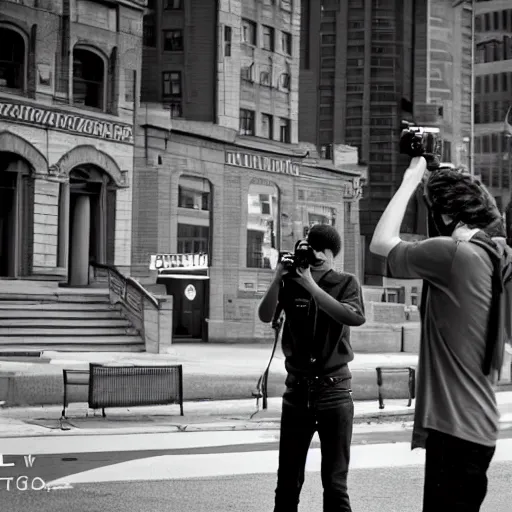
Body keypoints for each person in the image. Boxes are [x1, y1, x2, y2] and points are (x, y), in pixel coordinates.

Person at [370, 156, 510, 512]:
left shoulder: (453, 255)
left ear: (446, 216)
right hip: (477, 426)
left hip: (455, 431)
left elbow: (381, 242)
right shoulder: (493, 256)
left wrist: (411, 180)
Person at [258, 224, 366, 512]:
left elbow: (354, 317)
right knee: (287, 483)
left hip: (335, 392)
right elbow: (265, 314)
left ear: (331, 254)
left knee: (334, 485)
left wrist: (311, 285)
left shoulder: (346, 282)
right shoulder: (291, 281)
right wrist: (277, 278)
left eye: (320, 252)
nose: (314, 259)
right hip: (297, 392)